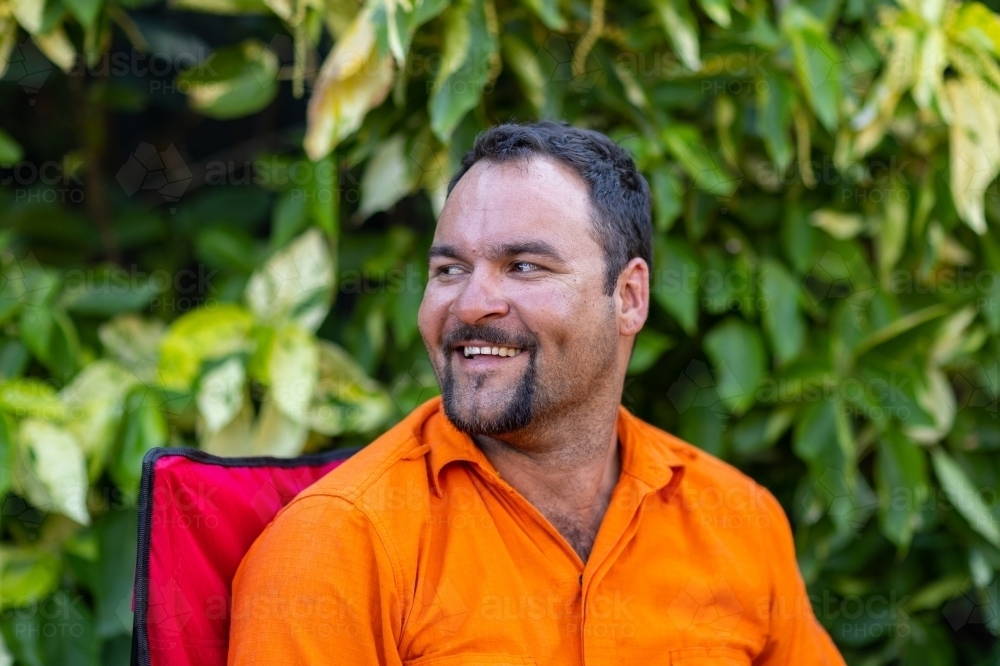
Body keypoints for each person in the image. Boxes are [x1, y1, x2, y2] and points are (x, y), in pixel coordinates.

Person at [228, 122, 846, 665]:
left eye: (524, 266)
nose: (471, 303)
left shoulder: (737, 518)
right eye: (449, 269)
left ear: (628, 297)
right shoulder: (337, 546)